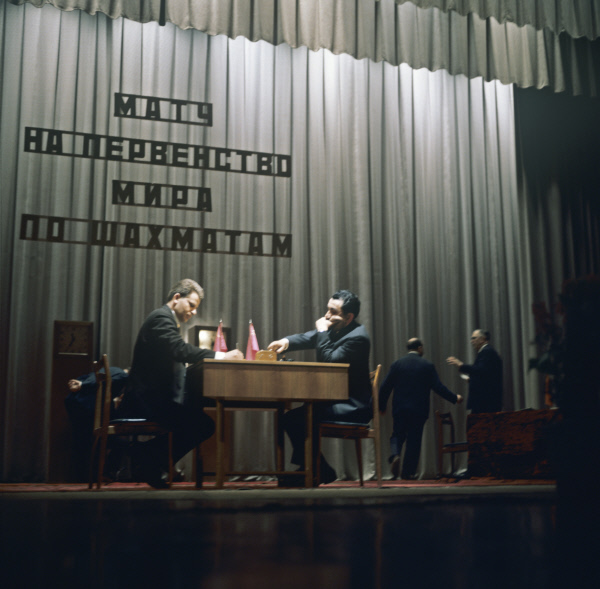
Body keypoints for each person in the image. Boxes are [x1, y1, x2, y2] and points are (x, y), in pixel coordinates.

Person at [121, 278, 243, 488]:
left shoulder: (164, 319)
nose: (194, 312)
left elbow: (171, 355)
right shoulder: (161, 318)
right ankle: (147, 456)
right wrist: (221, 356)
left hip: (153, 397)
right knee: (203, 424)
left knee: (198, 419)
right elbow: (179, 350)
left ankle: (150, 459)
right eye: (192, 305)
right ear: (177, 298)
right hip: (147, 400)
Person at [267, 290, 371, 485]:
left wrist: (323, 331)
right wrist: (285, 342)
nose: (326, 316)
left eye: (332, 311)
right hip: (336, 399)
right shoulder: (338, 328)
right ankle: (317, 469)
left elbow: (329, 361)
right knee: (292, 418)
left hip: (352, 406)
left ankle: (316, 471)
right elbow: (310, 337)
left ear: (349, 317)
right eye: (327, 310)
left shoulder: (358, 338)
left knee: (297, 419)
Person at [379, 338, 463, 480]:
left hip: (400, 408)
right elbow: (438, 387)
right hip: (419, 410)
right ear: (419, 348)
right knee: (414, 440)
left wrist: (382, 405)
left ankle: (395, 454)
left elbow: (385, 386)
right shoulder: (427, 365)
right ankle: (408, 473)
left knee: (397, 435)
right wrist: (455, 398)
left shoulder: (397, 364)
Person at [64, 367, 129, 481]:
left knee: (83, 441)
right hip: (87, 407)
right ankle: (103, 474)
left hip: (74, 402)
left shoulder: (109, 368)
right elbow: (102, 380)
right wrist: (82, 385)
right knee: (111, 441)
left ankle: (83, 476)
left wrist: (78, 382)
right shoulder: (123, 375)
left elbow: (89, 377)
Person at [447, 329, 503, 413]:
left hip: (485, 403)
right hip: (486, 402)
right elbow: (485, 374)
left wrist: (461, 365)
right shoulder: (486, 351)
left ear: (482, 339)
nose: (471, 341)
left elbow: (479, 370)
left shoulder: (487, 352)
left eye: (474, 338)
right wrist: (472, 379)